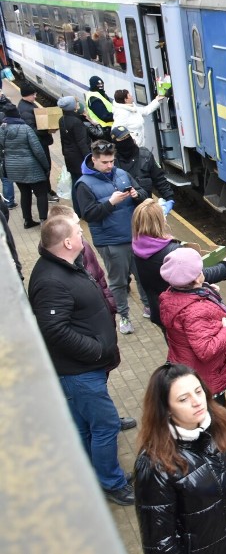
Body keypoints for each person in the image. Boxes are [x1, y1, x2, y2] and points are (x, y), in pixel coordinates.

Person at [28, 215, 134, 506]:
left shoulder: (64, 266)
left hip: (82, 370)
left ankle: (93, 473)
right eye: (78, 231)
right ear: (67, 242)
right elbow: (54, 330)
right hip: (80, 372)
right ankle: (112, 483)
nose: (82, 234)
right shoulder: (51, 280)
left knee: (85, 425)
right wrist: (96, 350)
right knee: (105, 425)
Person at [134, 363, 226, 553]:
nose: (197, 401)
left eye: (198, 391)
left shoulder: (223, 426)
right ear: (166, 409)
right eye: (183, 399)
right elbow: (160, 543)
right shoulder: (154, 464)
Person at [76, 140, 150, 333]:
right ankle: (124, 317)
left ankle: (148, 306)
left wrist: (137, 194)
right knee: (118, 282)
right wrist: (110, 203)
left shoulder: (122, 174)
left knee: (142, 276)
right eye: (105, 162)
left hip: (134, 236)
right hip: (111, 242)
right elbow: (88, 214)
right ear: (94, 160)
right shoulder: (84, 184)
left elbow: (143, 194)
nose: (110, 166)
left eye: (112, 161)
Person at [159, 247, 226, 407]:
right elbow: (206, 350)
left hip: (187, 369)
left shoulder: (171, 295)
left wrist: (206, 292)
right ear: (196, 278)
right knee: (217, 422)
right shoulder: (195, 311)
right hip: (205, 381)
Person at [132, 198, 226, 333]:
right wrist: (225, 267)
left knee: (175, 345)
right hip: (181, 313)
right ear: (160, 222)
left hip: (161, 310)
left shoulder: (138, 245)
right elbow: (196, 276)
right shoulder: (172, 252)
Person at [0, 102, 50, 228]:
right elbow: (38, 150)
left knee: (25, 193)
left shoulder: (2, 130)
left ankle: (27, 221)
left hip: (13, 167)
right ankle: (44, 220)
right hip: (31, 166)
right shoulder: (26, 129)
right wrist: (46, 166)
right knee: (41, 193)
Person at [17, 83, 60, 202]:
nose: (35, 96)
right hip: (39, 143)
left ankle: (48, 189)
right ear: (26, 95)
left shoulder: (28, 105)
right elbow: (32, 130)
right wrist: (47, 130)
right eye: (33, 94)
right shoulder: (25, 110)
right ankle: (46, 193)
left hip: (41, 142)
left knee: (47, 167)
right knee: (44, 168)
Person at [112, 125, 173, 203]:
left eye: (127, 137)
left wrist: (169, 198)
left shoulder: (145, 156)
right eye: (122, 139)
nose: (126, 140)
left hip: (146, 206)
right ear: (115, 142)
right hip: (125, 207)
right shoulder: (112, 161)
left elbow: (159, 178)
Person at [57, 96, 92, 214]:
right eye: (76, 103)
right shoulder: (76, 122)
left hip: (69, 157)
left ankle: (77, 210)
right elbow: (82, 143)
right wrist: (89, 159)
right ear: (71, 106)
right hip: (79, 158)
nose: (78, 104)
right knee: (83, 183)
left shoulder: (62, 119)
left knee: (75, 183)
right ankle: (83, 209)